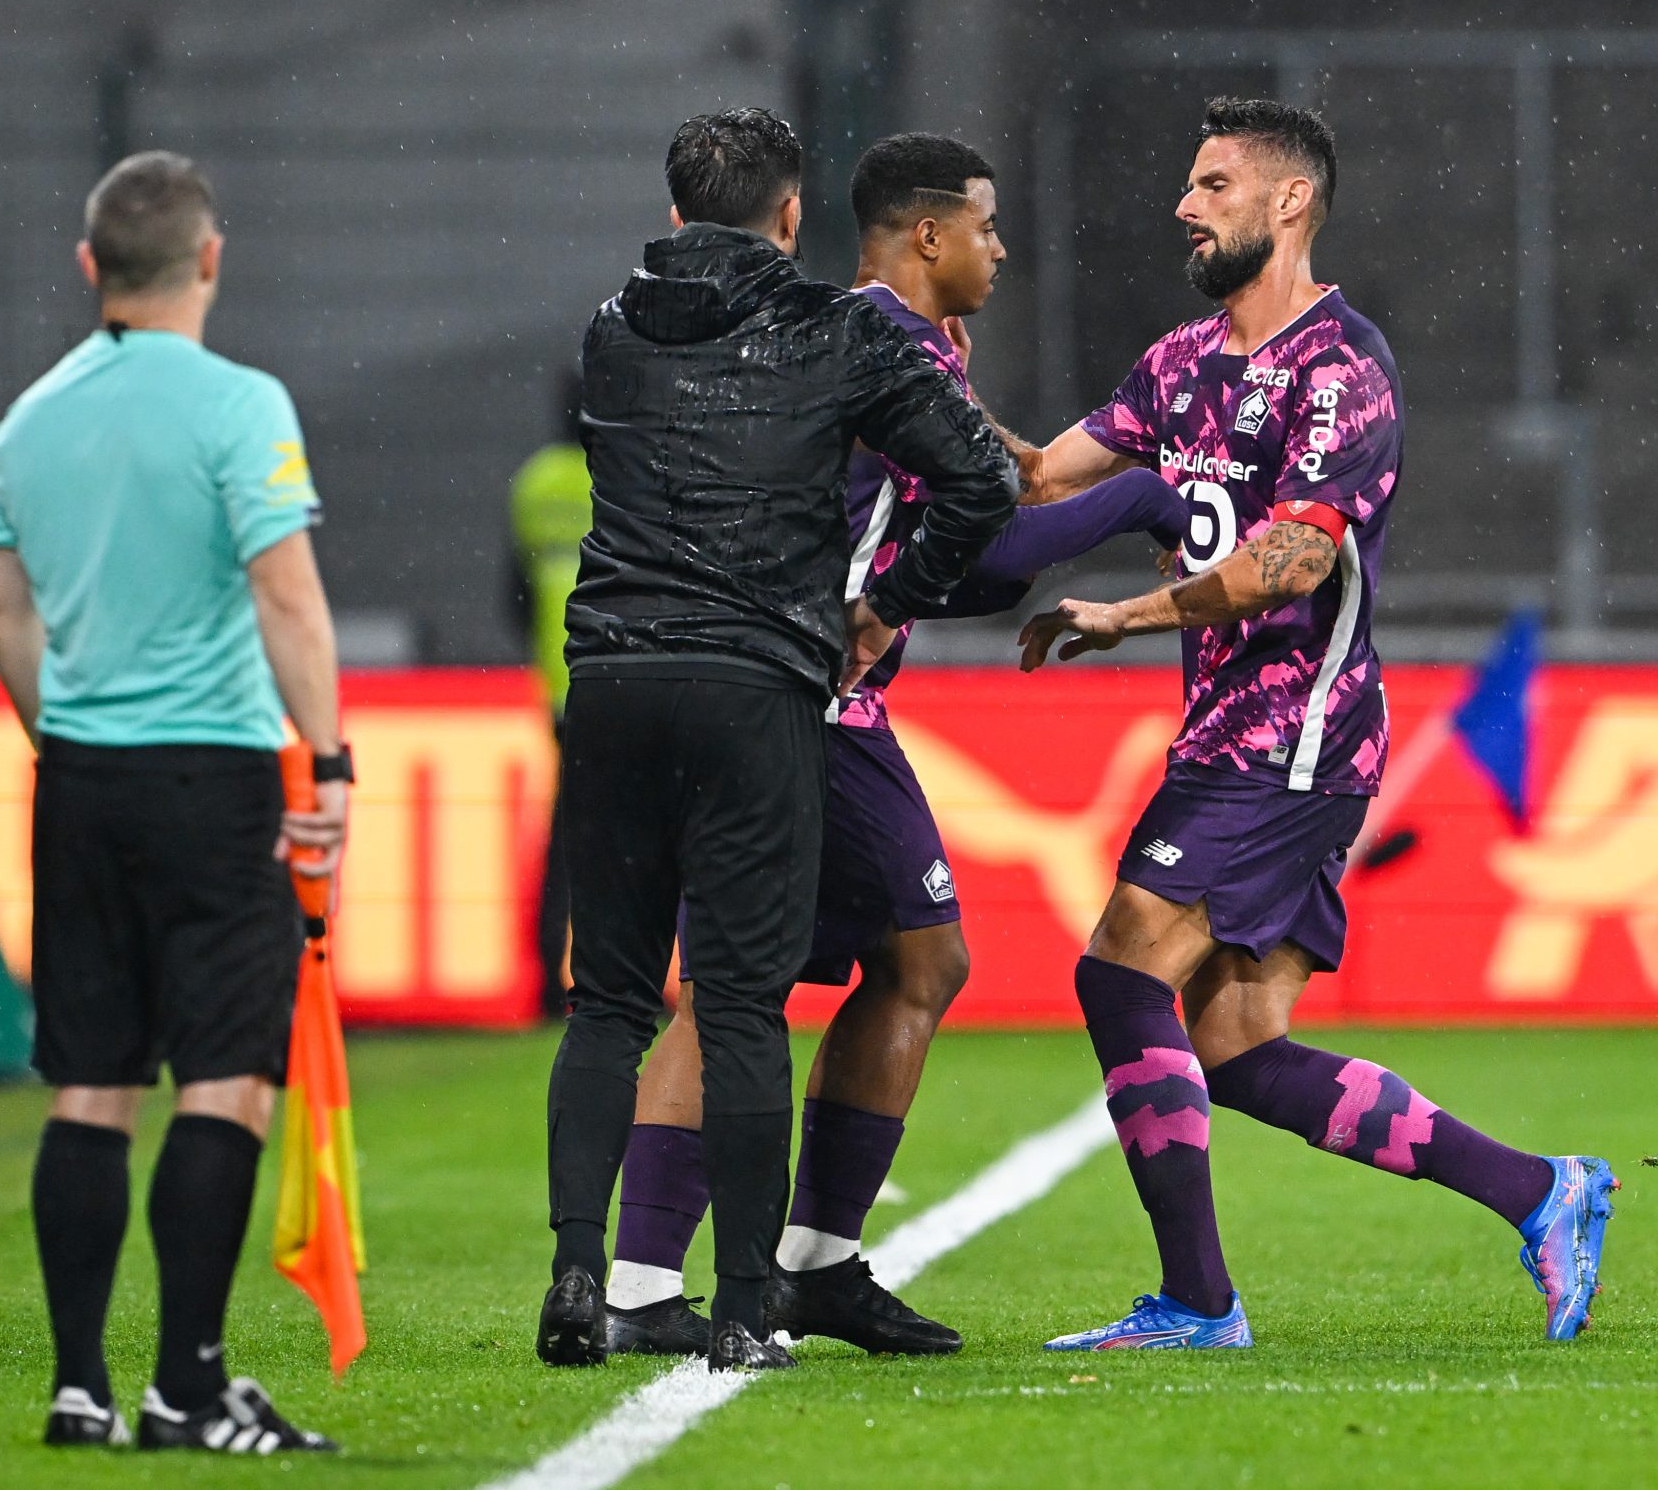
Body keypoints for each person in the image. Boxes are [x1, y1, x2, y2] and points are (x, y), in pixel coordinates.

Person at [1010, 98, 1619, 1351]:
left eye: (1214, 183)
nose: (1186, 204)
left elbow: (1289, 561)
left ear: (1288, 203)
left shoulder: (1341, 369)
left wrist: (1123, 616)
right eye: (1189, 183)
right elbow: (1035, 474)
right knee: (1234, 1044)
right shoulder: (1178, 364)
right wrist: (903, 398)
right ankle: (1540, 1189)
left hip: (1292, 736)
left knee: (1121, 969)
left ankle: (1196, 1302)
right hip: (1226, 734)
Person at [596, 134, 1191, 1360]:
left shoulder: (867, 334)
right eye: (983, 225)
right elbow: (980, 548)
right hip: (810, 707)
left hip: (738, 686)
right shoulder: (880, 343)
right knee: (911, 962)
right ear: (926, 236)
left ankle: (664, 1278)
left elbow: (969, 525)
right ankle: (782, 1269)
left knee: (767, 985)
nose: (998, 247)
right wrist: (1143, 499)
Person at [537, 109, 1017, 1374]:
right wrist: (886, 599)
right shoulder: (838, 328)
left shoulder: (607, 328)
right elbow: (981, 484)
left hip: (615, 677)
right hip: (763, 683)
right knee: (749, 999)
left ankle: (590, 1274)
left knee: (610, 1004)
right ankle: (754, 1299)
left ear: (677, 208)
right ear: (792, 217)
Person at [0, 152, 349, 1451]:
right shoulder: (239, 406)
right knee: (227, 1080)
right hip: (211, 776)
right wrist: (333, 759)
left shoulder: (29, 418)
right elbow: (288, 596)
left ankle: (79, 1386)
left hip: (79, 778)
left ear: (91, 268)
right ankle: (186, 1385)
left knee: (88, 1084)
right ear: (209, 258)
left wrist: (62, 728)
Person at [509, 368, 589, 1018]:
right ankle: (625, 978)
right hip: (618, 675)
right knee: (631, 838)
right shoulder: (623, 480)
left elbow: (513, 593)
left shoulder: (534, 484)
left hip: (559, 685)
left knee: (565, 836)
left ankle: (543, 979)